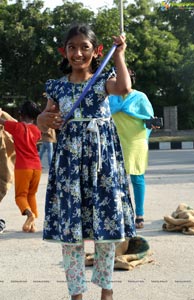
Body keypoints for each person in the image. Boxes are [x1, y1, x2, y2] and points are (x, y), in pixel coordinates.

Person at [37, 24, 136, 300]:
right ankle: (76, 294)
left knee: (106, 227)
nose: (78, 53)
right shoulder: (55, 86)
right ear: (64, 51)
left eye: (85, 47)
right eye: (72, 47)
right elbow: (46, 121)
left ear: (96, 52)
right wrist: (42, 121)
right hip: (69, 165)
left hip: (102, 165)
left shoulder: (104, 81)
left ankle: (107, 291)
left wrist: (120, 54)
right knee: (72, 232)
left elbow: (124, 87)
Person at [109, 70, 154, 229]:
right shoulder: (110, 98)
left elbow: (152, 121)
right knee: (113, 179)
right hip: (115, 141)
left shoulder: (140, 97)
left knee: (137, 177)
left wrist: (145, 138)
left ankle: (139, 215)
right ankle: (118, 214)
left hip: (136, 141)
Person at [0, 101, 42, 233]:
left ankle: (30, 215)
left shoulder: (16, 127)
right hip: (37, 167)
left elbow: (2, 121)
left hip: (23, 167)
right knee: (32, 195)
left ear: (21, 115)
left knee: (20, 196)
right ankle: (32, 225)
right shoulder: (36, 131)